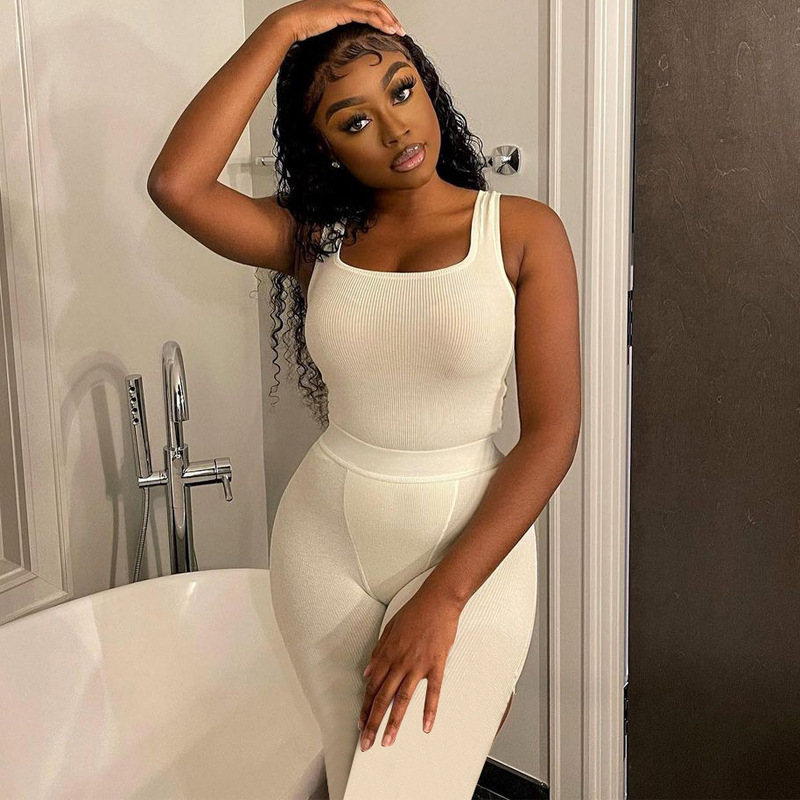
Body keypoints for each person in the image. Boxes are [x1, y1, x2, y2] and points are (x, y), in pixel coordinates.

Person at [147, 2, 581, 798]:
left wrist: (443, 598)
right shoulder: (317, 241)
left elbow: (553, 433)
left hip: (468, 546)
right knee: (361, 778)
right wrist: (282, 27)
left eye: (402, 89)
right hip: (323, 543)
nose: (395, 127)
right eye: (354, 121)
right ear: (325, 147)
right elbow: (177, 184)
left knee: (409, 783)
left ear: (427, 85)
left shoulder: (522, 231)